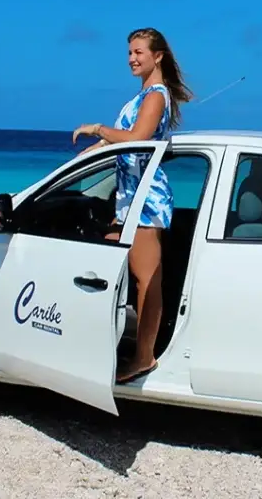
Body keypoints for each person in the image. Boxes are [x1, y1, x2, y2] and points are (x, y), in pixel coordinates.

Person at [72, 27, 193, 384]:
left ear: (158, 56)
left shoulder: (156, 95)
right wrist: (86, 158)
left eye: (139, 52)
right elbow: (121, 145)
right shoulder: (141, 96)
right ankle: (108, 347)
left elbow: (137, 139)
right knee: (107, 272)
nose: (132, 58)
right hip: (127, 199)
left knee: (146, 282)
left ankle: (144, 357)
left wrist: (97, 129)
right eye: (129, 53)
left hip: (147, 200)